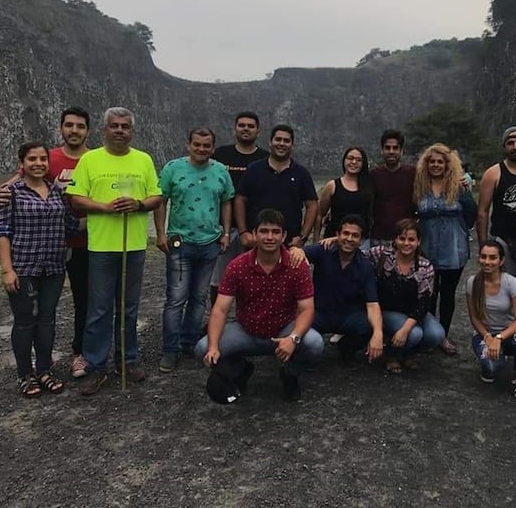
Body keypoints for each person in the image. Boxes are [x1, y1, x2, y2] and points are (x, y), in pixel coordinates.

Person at [66, 107, 162, 395]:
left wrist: (139, 205)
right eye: (114, 126)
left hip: (133, 246)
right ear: (104, 129)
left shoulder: (143, 159)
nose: (120, 131)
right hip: (101, 247)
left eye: (125, 127)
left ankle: (127, 360)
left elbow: (156, 196)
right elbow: (75, 199)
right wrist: (104, 207)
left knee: (128, 307)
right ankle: (96, 366)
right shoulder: (90, 160)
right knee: (99, 309)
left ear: (132, 131)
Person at [0, 107, 92, 379]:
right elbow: (2, 226)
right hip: (29, 260)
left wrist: (109, 211)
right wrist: (2, 190)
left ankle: (65, 361)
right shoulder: (25, 181)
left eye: (80, 126)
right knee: (27, 319)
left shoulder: (90, 164)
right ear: (61, 128)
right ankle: (26, 374)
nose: (74, 130)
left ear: (88, 131)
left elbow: (76, 220)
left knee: (68, 309)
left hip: (70, 255)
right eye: (69, 125)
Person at [195, 209, 323, 402]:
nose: (269, 237)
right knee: (203, 348)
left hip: (283, 329)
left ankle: (290, 373)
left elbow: (307, 309)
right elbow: (220, 309)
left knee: (315, 343)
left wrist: (294, 338)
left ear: (284, 236)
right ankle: (240, 369)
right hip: (246, 330)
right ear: (254, 234)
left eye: (275, 232)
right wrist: (214, 346)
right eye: (264, 231)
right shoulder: (237, 266)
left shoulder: (297, 266)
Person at [154, 128, 234, 373]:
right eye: (197, 144)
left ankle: (188, 342)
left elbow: (227, 201)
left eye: (206, 145)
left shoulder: (221, 171)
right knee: (176, 298)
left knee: (199, 297)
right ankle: (170, 350)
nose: (201, 149)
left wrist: (226, 232)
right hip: (180, 243)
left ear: (213, 146)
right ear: (188, 144)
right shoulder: (172, 168)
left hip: (209, 243)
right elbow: (160, 200)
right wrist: (160, 233)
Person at [413, 143, 477, 355]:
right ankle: (428, 332)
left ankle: (443, 335)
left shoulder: (459, 186)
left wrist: (461, 231)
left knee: (448, 293)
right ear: (426, 164)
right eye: (432, 161)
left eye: (440, 161)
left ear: (448, 164)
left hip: (453, 247)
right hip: (427, 247)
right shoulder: (419, 186)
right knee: (428, 292)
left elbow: (471, 213)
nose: (436, 165)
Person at [303, 215, 384, 366]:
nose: (349, 238)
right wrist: (297, 251)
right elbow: (298, 252)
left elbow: (372, 304)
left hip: (347, 316)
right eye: (345, 233)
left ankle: (346, 349)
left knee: (368, 326)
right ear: (337, 234)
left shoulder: (365, 266)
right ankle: (304, 358)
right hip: (318, 313)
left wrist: (378, 333)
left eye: (355, 235)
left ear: (361, 240)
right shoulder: (324, 250)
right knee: (299, 326)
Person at [367, 219, 445, 373]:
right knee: (415, 334)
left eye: (411, 239)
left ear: (418, 241)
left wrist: (405, 329)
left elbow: (424, 302)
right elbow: (354, 253)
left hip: (412, 311)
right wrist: (335, 239)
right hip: (387, 310)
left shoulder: (425, 266)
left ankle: (408, 352)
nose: (406, 243)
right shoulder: (381, 254)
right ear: (395, 239)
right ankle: (390, 355)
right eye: (402, 238)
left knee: (436, 334)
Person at [209, 112, 268, 305]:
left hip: (252, 230)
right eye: (242, 125)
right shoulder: (219, 155)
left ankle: (247, 319)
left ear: (257, 132)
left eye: (251, 126)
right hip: (222, 229)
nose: (246, 129)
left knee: (251, 278)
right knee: (218, 279)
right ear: (234, 129)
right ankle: (216, 318)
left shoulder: (265, 159)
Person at [467, 241, 516, 400]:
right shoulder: (472, 282)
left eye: (493, 258)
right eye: (483, 257)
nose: (487, 261)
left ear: (501, 261)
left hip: (509, 333)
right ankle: (496, 360)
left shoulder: (511, 283)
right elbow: (474, 318)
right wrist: (488, 337)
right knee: (490, 367)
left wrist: (498, 338)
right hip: (485, 334)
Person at [235, 124, 318, 248]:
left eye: (286, 141)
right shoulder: (254, 169)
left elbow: (312, 205)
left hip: (289, 244)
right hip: (256, 242)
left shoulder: (301, 173)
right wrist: (243, 233)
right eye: (278, 139)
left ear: (292, 145)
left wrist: (303, 237)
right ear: (270, 142)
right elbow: (240, 199)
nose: (282, 143)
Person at [476, 126, 516, 291]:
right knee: (502, 289)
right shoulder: (493, 173)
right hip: (503, 240)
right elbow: (482, 211)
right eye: (510, 143)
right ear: (504, 147)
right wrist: (483, 245)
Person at [317, 146, 373, 247]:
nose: (354, 162)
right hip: (333, 240)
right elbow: (320, 215)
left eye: (358, 160)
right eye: (350, 158)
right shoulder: (332, 186)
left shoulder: (369, 187)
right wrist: (317, 241)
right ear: (344, 161)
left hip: (360, 242)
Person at [369, 129, 416, 247]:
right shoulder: (373, 175)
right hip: (378, 237)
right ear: (382, 150)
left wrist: (460, 181)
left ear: (401, 151)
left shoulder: (413, 173)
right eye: (387, 148)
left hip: (405, 239)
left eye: (395, 148)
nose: (391, 152)